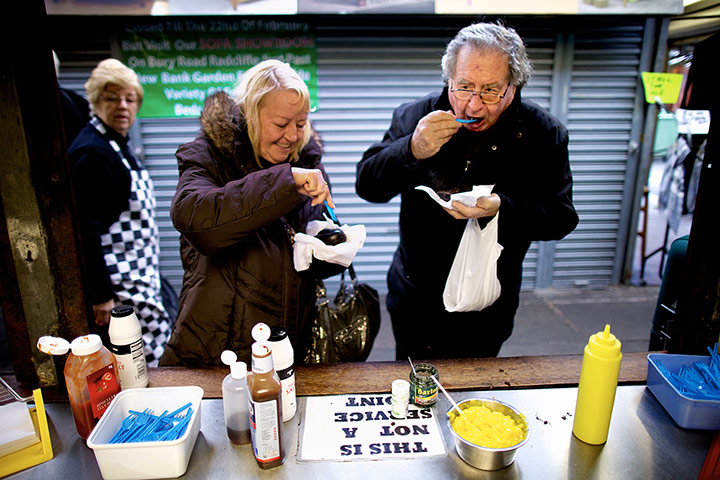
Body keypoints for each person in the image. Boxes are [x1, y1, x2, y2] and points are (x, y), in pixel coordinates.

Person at [356, 22, 579, 360]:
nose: (473, 106)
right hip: (414, 296)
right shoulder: (415, 116)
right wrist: (411, 148)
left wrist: (501, 208)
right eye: (464, 87)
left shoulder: (542, 133)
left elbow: (561, 218)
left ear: (513, 87)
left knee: (473, 398)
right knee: (415, 388)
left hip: (487, 303)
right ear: (449, 79)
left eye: (490, 90)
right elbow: (368, 185)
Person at [159, 60, 333, 366]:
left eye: (301, 123)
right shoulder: (210, 155)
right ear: (250, 115)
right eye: (281, 124)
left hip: (287, 346)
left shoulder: (306, 160)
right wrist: (285, 181)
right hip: (217, 351)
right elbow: (195, 217)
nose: (292, 135)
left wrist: (329, 247)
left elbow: (300, 248)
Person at [69, 58, 172, 366]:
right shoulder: (92, 152)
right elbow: (84, 230)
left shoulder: (118, 145)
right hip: (119, 286)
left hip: (139, 277)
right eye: (111, 98)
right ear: (95, 101)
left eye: (129, 98)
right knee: (138, 363)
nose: (122, 106)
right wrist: (101, 295)